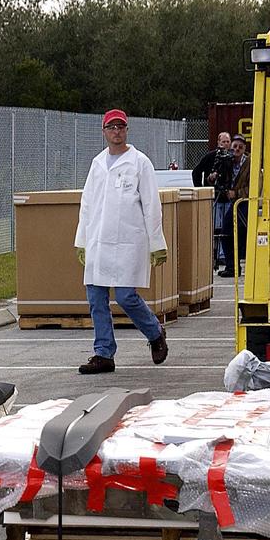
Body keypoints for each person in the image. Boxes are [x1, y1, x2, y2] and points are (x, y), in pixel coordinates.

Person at [74, 109, 169, 374]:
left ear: (127, 130)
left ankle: (155, 333)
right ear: (104, 131)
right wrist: (81, 239)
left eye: (121, 126)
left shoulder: (139, 162)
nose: (116, 131)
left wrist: (156, 243)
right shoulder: (98, 164)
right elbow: (87, 204)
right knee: (96, 298)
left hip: (128, 240)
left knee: (127, 297)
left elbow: (152, 204)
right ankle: (103, 353)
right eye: (111, 127)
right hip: (98, 240)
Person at [193, 132, 234, 266]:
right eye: (223, 142)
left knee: (227, 228)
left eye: (228, 142)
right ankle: (212, 253)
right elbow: (196, 171)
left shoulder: (233, 157)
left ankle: (224, 255)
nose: (225, 145)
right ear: (218, 142)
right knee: (214, 227)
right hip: (214, 196)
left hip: (228, 197)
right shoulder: (211, 157)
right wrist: (201, 189)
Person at [219, 135, 250, 277]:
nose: (237, 149)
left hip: (245, 203)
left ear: (244, 149)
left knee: (240, 233)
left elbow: (255, 187)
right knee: (226, 231)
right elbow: (222, 178)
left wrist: (236, 193)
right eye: (235, 146)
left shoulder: (250, 164)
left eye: (240, 147)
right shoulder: (228, 162)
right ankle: (231, 266)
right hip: (234, 203)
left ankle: (236, 266)